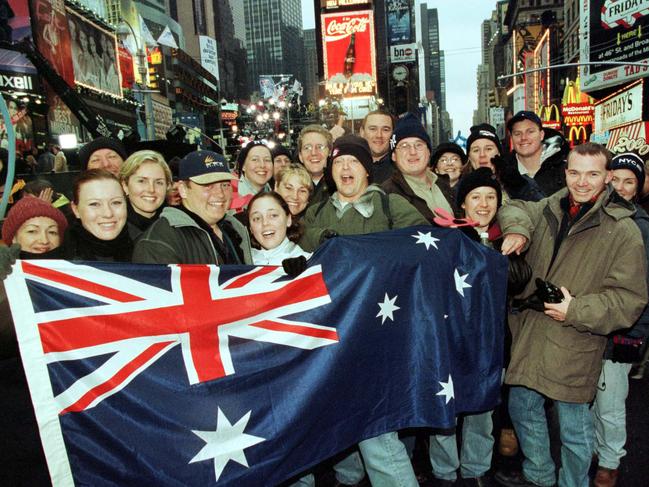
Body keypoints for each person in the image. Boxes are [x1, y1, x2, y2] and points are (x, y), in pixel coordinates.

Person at [494, 143, 648, 487]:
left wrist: (574, 310)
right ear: (565, 172)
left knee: (575, 430)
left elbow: (629, 300)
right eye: (575, 172)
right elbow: (514, 207)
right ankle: (541, 477)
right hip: (533, 333)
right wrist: (518, 229)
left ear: (607, 177)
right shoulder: (548, 207)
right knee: (521, 406)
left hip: (576, 336)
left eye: (593, 174)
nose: (582, 181)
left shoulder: (623, 230)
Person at [299, 134, 427, 487]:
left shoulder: (391, 205)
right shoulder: (316, 214)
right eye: (338, 163)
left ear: (367, 171)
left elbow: (425, 245)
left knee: (375, 424)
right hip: (331, 334)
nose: (345, 168)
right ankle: (348, 477)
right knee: (343, 416)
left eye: (353, 162)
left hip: (379, 332)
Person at [428, 168, 503, 486]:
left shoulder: (511, 237)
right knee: (446, 408)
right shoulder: (446, 239)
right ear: (463, 204)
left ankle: (476, 470)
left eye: (490, 197)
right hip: (451, 338)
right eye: (475, 197)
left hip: (493, 341)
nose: (483, 204)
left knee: (482, 408)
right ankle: (445, 472)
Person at [590, 152, 649, 487]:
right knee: (590, 398)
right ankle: (600, 451)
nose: (622, 187)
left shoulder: (641, 227)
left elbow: (644, 290)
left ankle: (609, 462)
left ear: (639, 188)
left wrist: (635, 337)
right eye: (617, 179)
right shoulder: (599, 216)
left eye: (631, 182)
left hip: (622, 330)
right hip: (591, 324)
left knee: (610, 401)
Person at [132, 150, 252, 265]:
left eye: (225, 185)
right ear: (183, 189)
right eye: (208, 185)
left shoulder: (235, 229)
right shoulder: (158, 241)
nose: (220, 193)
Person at [381, 113, 456, 221]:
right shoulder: (386, 195)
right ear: (393, 156)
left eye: (419, 145)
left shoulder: (444, 185)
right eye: (404, 146)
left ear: (429, 152)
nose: (412, 152)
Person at [62, 170, 133, 262]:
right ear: (76, 210)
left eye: (116, 202)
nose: (108, 213)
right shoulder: (60, 261)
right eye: (94, 204)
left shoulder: (146, 247)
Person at [466, 123, 545, 202]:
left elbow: (542, 208)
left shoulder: (519, 181)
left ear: (498, 153)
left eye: (488, 149)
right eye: (476, 150)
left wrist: (519, 187)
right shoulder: (460, 187)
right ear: (469, 157)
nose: (482, 155)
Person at [503, 111, 568, 198]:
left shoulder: (564, 170)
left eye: (530, 132)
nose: (523, 138)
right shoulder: (503, 174)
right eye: (517, 133)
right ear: (512, 138)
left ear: (541, 135)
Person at [119, 150, 172, 239]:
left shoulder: (177, 224)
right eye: (142, 181)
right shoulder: (114, 229)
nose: (151, 189)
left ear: (167, 186)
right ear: (125, 186)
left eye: (159, 182)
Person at [248, 191, 311, 265]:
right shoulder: (241, 263)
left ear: (288, 220)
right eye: (257, 218)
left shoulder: (308, 263)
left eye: (273, 215)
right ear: (250, 228)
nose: (265, 223)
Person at [297, 124, 332, 205]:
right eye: (307, 148)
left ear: (329, 152)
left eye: (320, 147)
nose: (313, 153)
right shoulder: (291, 188)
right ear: (300, 156)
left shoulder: (340, 186)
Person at [359, 109, 396, 184]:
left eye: (385, 130)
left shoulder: (401, 169)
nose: (379, 135)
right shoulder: (351, 166)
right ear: (362, 132)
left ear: (393, 134)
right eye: (373, 129)